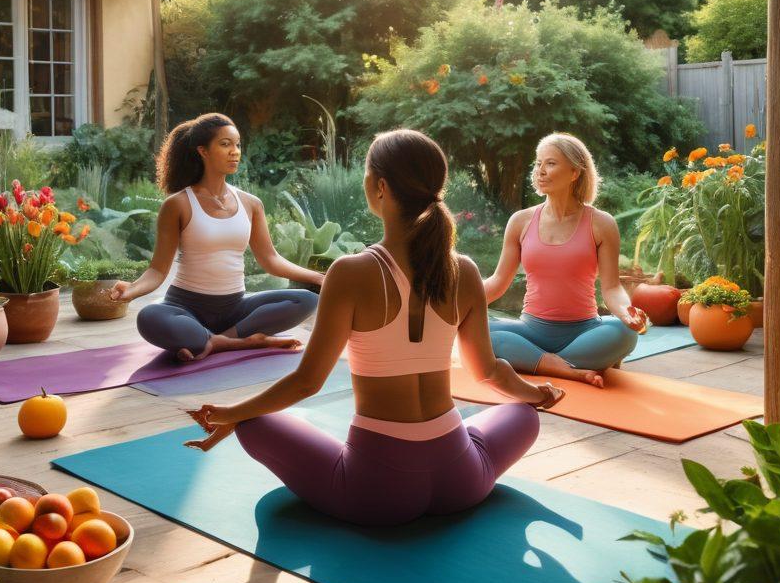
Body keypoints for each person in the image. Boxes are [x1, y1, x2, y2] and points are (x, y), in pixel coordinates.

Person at [184, 129, 565, 528]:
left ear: (379, 186)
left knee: (255, 422)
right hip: (461, 479)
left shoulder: (350, 272)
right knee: (524, 415)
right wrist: (536, 394)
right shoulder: (464, 270)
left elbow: (306, 383)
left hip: (376, 490)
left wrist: (232, 413)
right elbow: (488, 371)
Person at [110, 113, 321, 364]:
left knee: (306, 299)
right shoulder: (178, 204)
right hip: (186, 308)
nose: (235, 152)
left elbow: (270, 259)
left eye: (238, 144)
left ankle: (214, 341)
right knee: (150, 317)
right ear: (203, 151)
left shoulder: (251, 204)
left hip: (236, 308)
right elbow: (157, 270)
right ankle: (242, 341)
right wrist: (131, 290)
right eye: (225, 144)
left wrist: (320, 278)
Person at [482, 132, 646, 388]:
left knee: (624, 333)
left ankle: (538, 362)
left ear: (574, 172)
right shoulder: (520, 221)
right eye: (538, 164)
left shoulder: (601, 223)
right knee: (478, 334)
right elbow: (498, 281)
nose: (540, 171)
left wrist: (627, 314)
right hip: (531, 330)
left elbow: (612, 288)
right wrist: (458, 306)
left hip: (584, 331)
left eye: (550, 163)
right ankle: (573, 369)